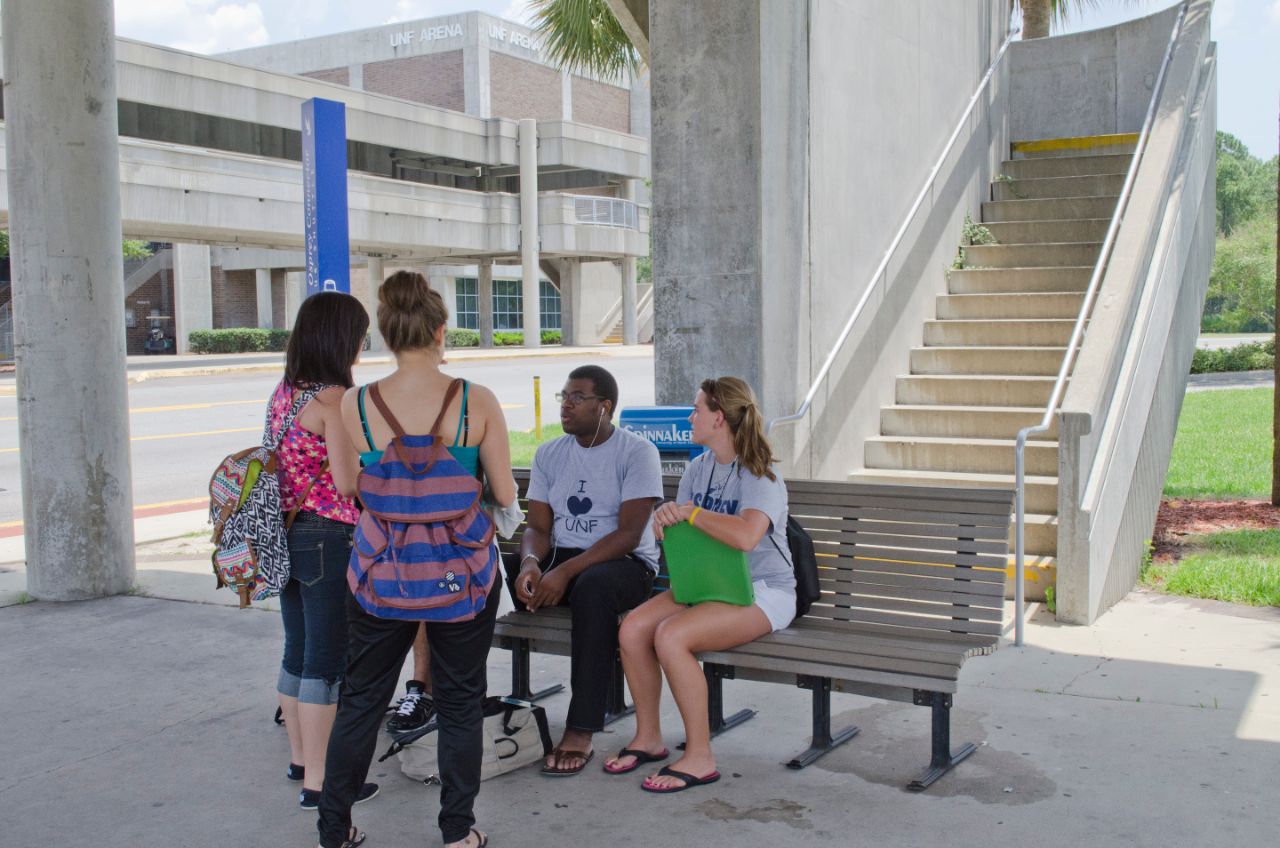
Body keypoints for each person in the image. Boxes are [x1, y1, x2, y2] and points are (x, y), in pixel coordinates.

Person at [317, 271, 514, 848]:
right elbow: (503, 492)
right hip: (464, 574)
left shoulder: (355, 403)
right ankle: (458, 833)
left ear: (386, 334)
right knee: (458, 701)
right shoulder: (475, 401)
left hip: (380, 572)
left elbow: (348, 486)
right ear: (439, 329)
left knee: (360, 699)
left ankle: (334, 829)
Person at [605, 377, 795, 793]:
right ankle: (649, 737)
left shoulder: (760, 475)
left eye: (696, 409)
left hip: (765, 591)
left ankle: (700, 756)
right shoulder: (698, 468)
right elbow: (687, 533)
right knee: (633, 629)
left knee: (671, 637)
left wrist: (690, 515)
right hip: (709, 581)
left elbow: (746, 536)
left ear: (719, 417)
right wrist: (666, 521)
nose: (690, 417)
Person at [507, 365, 663, 776]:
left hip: (624, 566)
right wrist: (530, 565)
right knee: (483, 571)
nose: (567, 405)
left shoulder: (637, 452)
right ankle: (456, 702)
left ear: (605, 407)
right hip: (564, 557)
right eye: (564, 396)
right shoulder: (549, 453)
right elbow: (538, 528)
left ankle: (581, 728)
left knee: (592, 588)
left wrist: (565, 574)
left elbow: (630, 535)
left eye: (578, 397)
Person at [269, 292, 380, 811]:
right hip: (327, 537)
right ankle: (322, 781)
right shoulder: (336, 398)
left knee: (297, 651)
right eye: (359, 332)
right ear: (341, 338)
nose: (363, 342)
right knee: (327, 663)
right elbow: (345, 479)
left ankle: (299, 760)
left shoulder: (285, 391)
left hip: (285, 535)